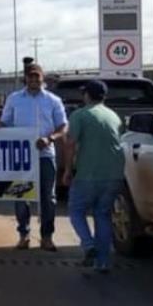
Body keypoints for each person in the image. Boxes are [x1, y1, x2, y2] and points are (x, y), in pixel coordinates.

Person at [1, 63, 67, 251]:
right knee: (20, 195)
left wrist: (50, 138)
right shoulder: (14, 99)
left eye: (37, 76)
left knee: (48, 197)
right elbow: (5, 123)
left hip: (45, 155)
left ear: (42, 77)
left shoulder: (53, 100)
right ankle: (24, 235)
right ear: (25, 78)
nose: (33, 79)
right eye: (30, 76)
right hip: (20, 156)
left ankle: (47, 236)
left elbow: (63, 126)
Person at [63, 80, 124, 273]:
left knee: (76, 210)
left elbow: (70, 144)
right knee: (102, 215)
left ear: (87, 95)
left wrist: (67, 170)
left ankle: (89, 246)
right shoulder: (113, 115)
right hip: (114, 174)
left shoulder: (80, 115)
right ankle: (102, 262)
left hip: (88, 173)